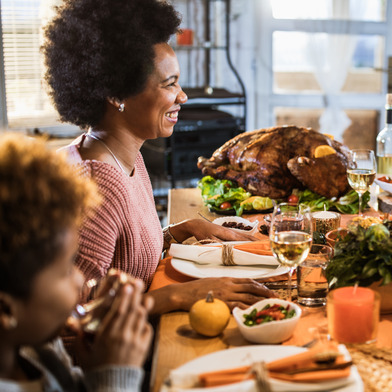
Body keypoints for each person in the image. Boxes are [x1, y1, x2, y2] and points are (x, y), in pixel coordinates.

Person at [43, 0, 274, 313]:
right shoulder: (99, 187)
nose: (183, 96)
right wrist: (179, 296)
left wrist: (179, 231)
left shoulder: (120, 155)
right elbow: (65, 315)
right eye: (170, 84)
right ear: (116, 95)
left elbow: (122, 258)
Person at [0, 133, 153, 392]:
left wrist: (93, 366)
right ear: (5, 309)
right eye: (67, 268)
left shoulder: (38, 350)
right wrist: (114, 380)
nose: (82, 277)